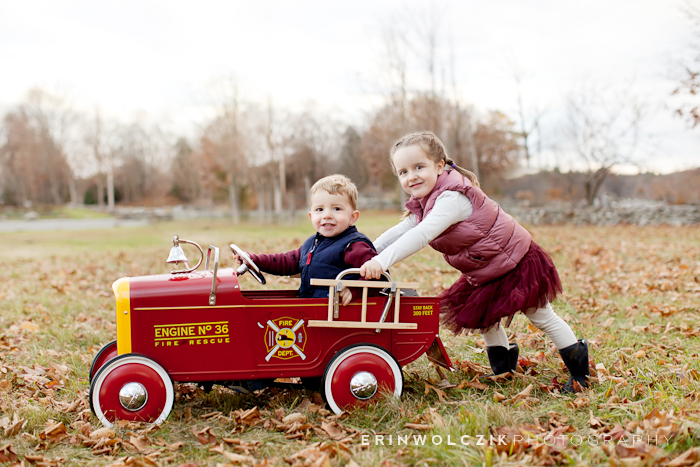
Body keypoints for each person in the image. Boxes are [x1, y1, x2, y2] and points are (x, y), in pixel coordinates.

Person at [359, 131, 590, 393]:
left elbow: (421, 234)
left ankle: (581, 375)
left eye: (418, 167)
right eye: (403, 172)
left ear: (439, 166)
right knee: (485, 319)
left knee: (541, 316)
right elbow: (401, 230)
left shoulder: (452, 198)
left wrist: (381, 261)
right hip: (486, 269)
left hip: (516, 262)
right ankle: (503, 372)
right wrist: (365, 252)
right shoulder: (426, 202)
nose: (411, 176)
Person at [232, 174, 377, 305]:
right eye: (319, 210)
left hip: (337, 316)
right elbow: (285, 262)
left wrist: (354, 290)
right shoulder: (311, 244)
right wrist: (254, 259)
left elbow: (379, 276)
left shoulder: (354, 245)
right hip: (311, 310)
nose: (327, 215)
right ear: (311, 216)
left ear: (353, 217)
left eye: (336, 209)